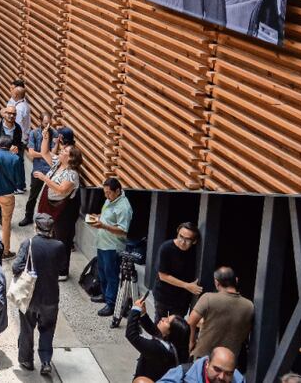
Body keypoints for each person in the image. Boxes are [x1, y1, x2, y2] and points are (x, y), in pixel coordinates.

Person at [13, 213, 67, 375]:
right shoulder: (59, 246)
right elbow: (63, 266)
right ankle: (45, 361)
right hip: (50, 297)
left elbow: (16, 267)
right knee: (47, 330)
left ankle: (26, 360)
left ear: (36, 227)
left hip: (29, 297)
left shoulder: (28, 243)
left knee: (27, 328)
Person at [33, 144, 83, 279]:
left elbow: (61, 190)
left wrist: (44, 178)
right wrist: (45, 137)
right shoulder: (57, 164)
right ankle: (51, 264)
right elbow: (44, 152)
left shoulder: (72, 174)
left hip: (63, 210)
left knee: (62, 240)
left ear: (71, 158)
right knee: (49, 235)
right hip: (50, 205)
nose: (61, 151)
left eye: (65, 151)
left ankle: (62, 271)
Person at [87, 177, 134, 316]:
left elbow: (123, 230)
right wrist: (98, 217)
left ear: (118, 190)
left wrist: (103, 225)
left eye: (109, 193)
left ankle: (111, 304)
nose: (106, 196)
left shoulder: (124, 208)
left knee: (111, 274)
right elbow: (107, 215)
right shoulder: (110, 199)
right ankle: (104, 294)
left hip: (113, 247)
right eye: (105, 193)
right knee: (102, 272)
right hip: (102, 243)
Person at [187, 267, 254, 360]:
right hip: (228, 361)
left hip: (203, 357)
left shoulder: (208, 298)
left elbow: (191, 321)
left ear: (216, 282)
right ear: (236, 280)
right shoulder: (249, 306)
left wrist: (192, 341)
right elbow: (246, 331)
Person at [126, 294, 190, 381]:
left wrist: (135, 310)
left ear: (170, 332)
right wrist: (143, 314)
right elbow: (154, 331)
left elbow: (131, 335)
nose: (163, 318)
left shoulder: (158, 349)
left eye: (166, 321)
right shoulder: (174, 345)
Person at [153, 222, 202, 320]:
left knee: (176, 329)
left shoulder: (194, 251)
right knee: (160, 326)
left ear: (194, 241)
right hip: (163, 295)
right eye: (181, 236)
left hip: (181, 299)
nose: (182, 242)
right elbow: (163, 276)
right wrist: (187, 286)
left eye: (187, 239)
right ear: (177, 233)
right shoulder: (166, 248)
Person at [18, 111, 56, 227]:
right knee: (33, 195)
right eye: (45, 123)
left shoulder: (54, 133)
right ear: (40, 121)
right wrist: (45, 154)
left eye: (49, 123)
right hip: (38, 168)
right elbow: (31, 153)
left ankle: (47, 221)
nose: (47, 125)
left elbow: (53, 153)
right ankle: (28, 216)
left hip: (51, 169)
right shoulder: (34, 133)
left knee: (49, 198)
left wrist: (45, 153)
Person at [158, 346, 244, 383]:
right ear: (207, 364)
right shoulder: (183, 374)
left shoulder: (239, 380)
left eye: (228, 373)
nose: (221, 377)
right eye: (217, 369)